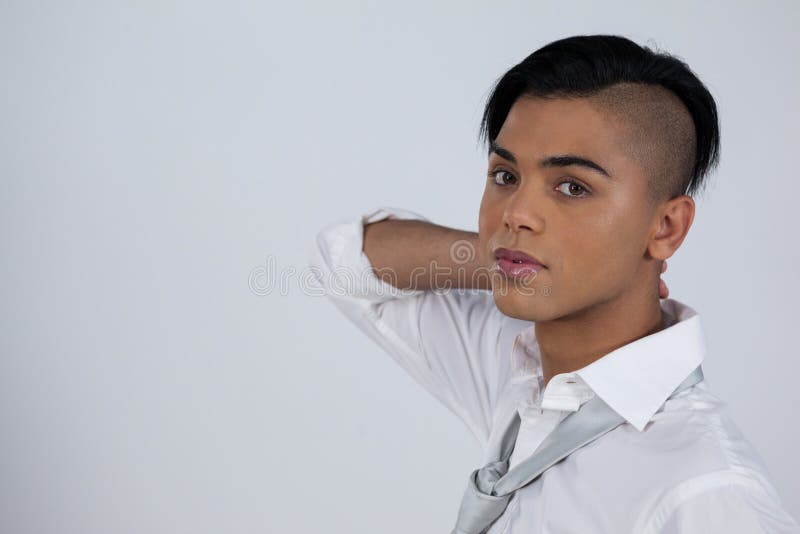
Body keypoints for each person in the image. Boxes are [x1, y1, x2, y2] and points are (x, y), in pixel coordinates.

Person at [307, 34, 800, 533]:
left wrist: (530, 261)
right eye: (505, 176)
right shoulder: (523, 367)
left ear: (666, 227)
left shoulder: (707, 492)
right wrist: (511, 261)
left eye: (572, 187)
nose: (516, 212)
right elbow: (346, 262)